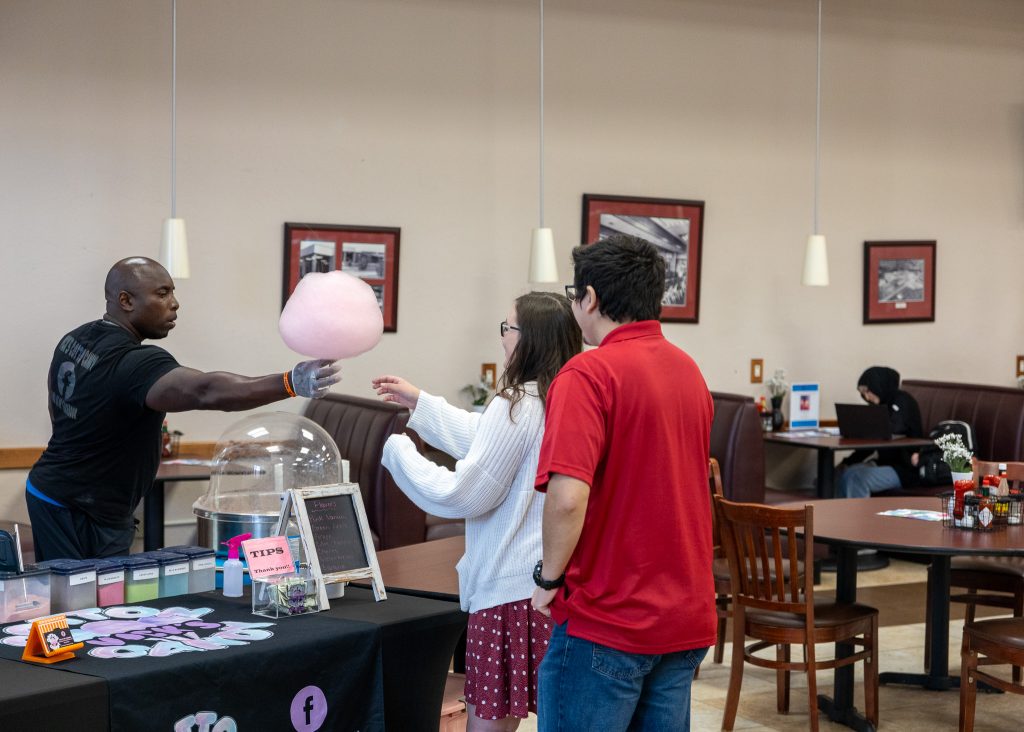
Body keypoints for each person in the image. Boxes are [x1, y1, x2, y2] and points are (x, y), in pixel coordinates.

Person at [27, 256, 341, 561]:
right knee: (87, 607)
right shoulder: (136, 363)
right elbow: (206, 391)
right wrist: (290, 382)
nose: (175, 303)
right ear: (125, 300)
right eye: (162, 293)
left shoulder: (78, 338)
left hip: (52, 493)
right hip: (82, 510)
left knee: (74, 602)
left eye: (173, 292)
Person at [530, 234, 716, 732]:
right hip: (684, 616)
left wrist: (547, 580)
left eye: (574, 294)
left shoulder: (587, 374)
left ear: (589, 297)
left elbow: (568, 500)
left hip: (609, 616)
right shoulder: (688, 370)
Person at [372, 291, 582, 732]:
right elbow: (491, 440)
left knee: (488, 726)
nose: (503, 338)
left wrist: (399, 454)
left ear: (531, 339)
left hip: (507, 593)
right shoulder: (563, 399)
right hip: (546, 588)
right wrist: (420, 403)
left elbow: (464, 495)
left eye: (508, 328)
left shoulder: (518, 403)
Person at [836, 366, 924, 498]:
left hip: (905, 469)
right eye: (862, 393)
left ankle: (858, 518)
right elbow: (871, 443)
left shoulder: (903, 401)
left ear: (878, 386)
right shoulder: (878, 406)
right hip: (884, 463)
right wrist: (848, 462)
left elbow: (891, 432)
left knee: (857, 478)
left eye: (868, 391)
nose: (866, 396)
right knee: (844, 473)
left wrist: (865, 427)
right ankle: (836, 516)